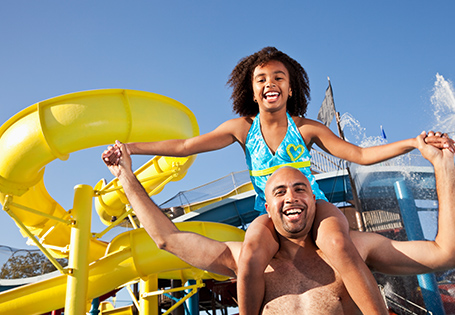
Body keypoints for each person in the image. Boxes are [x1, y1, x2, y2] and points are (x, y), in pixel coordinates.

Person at [102, 47, 454, 315]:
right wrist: (129, 152)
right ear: (252, 92)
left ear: (290, 88)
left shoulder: (305, 128)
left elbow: (359, 155)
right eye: (262, 79)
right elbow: (184, 148)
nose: (270, 83)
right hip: (264, 214)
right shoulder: (242, 129)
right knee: (253, 248)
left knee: (336, 242)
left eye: (279, 77)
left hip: (322, 211)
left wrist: (415, 145)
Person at [104, 133, 455, 314]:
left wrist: (443, 166)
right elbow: (168, 238)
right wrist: (125, 177)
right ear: (268, 207)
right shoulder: (245, 260)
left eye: (301, 188)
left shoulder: (355, 249)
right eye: (281, 192)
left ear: (314, 200)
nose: (292, 197)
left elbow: (444, 253)